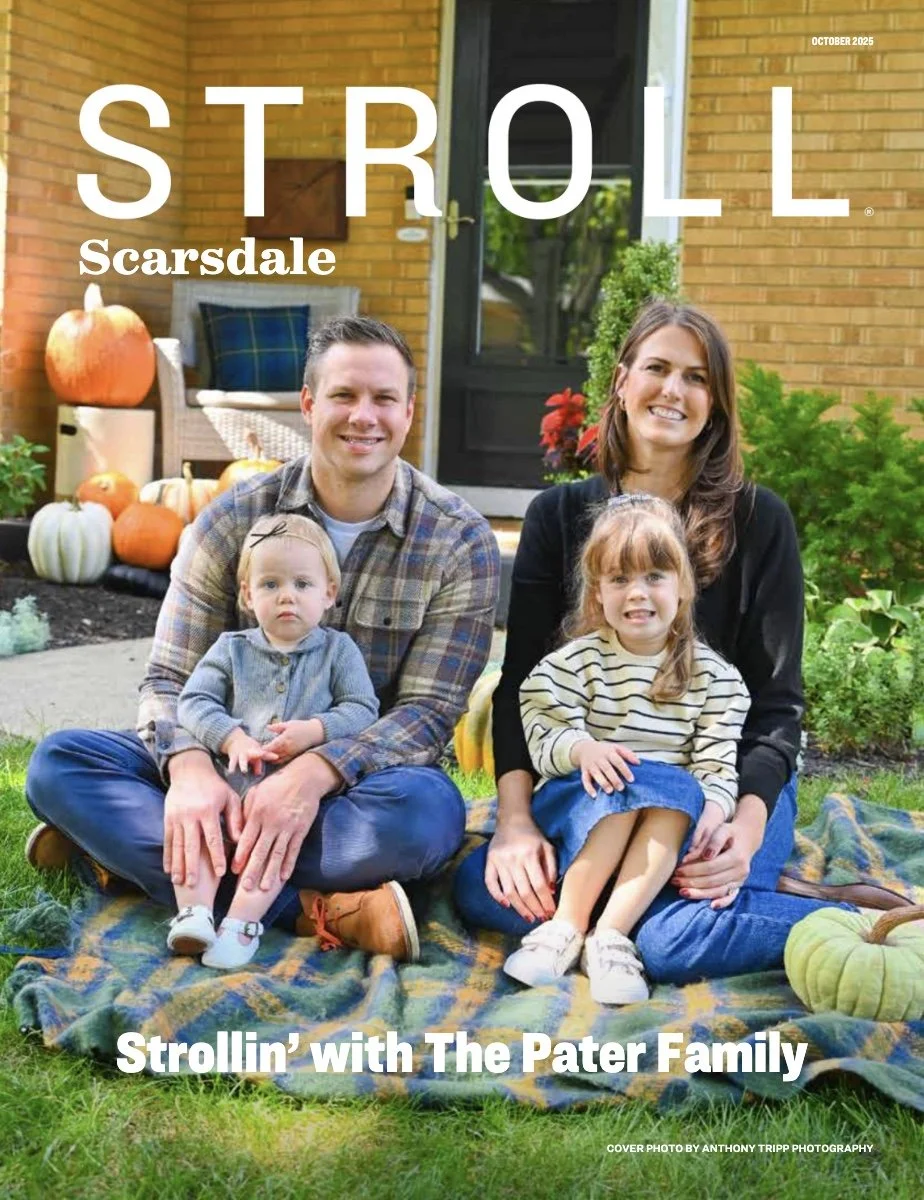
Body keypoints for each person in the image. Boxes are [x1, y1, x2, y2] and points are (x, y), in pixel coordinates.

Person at [454, 299, 904, 986]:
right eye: (658, 368)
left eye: (696, 378)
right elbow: (521, 687)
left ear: (716, 404)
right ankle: (748, 905)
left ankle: (862, 926)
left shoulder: (760, 521)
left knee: (665, 941)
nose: (674, 390)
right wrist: (514, 824)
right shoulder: (557, 516)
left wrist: (746, 829)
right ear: (622, 381)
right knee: (485, 891)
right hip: (598, 783)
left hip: (720, 782)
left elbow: (776, 711)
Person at [26, 316, 500, 963]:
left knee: (427, 820)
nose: (364, 416)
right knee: (62, 764)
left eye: (384, 398)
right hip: (224, 761)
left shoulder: (458, 539)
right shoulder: (231, 520)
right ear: (308, 404)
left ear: (409, 411)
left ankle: (133, 863)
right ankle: (315, 909)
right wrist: (191, 773)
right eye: (343, 395)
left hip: (359, 788)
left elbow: (428, 714)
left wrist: (311, 774)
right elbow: (170, 680)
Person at [502, 494, 750, 1003]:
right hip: (582, 812)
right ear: (597, 594)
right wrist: (582, 749)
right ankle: (565, 927)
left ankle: (609, 936)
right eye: (619, 579)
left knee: (673, 789)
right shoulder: (569, 667)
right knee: (625, 778)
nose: (637, 593)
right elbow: (543, 739)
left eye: (654, 577)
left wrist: (718, 808)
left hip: (663, 832)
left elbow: (717, 766)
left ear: (682, 587)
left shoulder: (717, 681)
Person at [168, 513, 379, 969]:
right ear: (247, 595)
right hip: (230, 785)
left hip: (294, 800)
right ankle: (195, 914)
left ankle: (241, 926)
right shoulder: (231, 648)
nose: (287, 595)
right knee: (202, 840)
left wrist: (315, 730)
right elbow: (193, 701)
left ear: (329, 594)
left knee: (271, 853)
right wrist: (230, 739)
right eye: (270, 584)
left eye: (303, 584)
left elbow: (363, 708)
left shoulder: (338, 651)